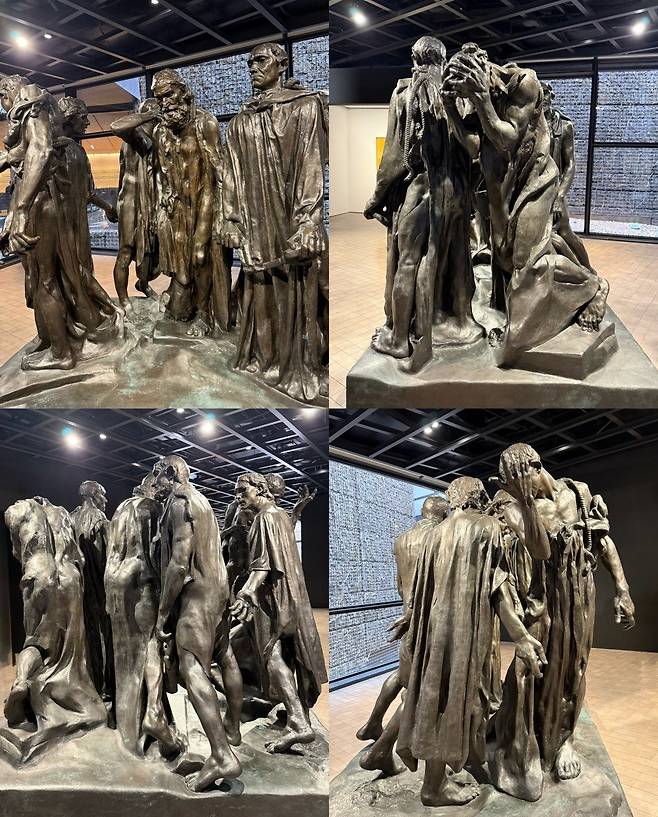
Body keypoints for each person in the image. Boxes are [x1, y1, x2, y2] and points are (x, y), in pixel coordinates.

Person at [442, 44, 606, 365]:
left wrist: (480, 97)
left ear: (482, 73)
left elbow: (507, 137)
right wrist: (450, 107)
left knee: (528, 262)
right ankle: (542, 299)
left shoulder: (524, 83)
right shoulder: (476, 97)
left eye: (467, 91)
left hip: (534, 183)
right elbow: (474, 145)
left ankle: (593, 286)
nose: (467, 99)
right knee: (504, 257)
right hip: (499, 189)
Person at [489, 443, 636, 801]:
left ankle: (564, 741)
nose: (511, 490)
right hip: (543, 599)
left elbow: (603, 543)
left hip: (580, 594)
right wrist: (525, 502)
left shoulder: (579, 493)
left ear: (535, 467)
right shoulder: (514, 507)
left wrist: (622, 588)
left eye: (516, 481)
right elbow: (540, 550)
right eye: (508, 485)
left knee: (575, 667)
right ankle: (522, 734)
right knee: (532, 667)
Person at [394, 476, 547, 807]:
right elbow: (499, 588)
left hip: (432, 633)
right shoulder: (486, 528)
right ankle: (435, 786)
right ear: (477, 498)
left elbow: (421, 591)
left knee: (436, 700)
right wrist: (520, 636)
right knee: (460, 699)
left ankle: (438, 778)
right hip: (464, 632)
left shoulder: (434, 535)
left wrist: (411, 623)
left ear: (453, 500)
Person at [365, 36, 483, 370]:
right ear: (442, 62)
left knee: (408, 262)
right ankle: (453, 319)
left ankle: (400, 338)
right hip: (454, 193)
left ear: (414, 59)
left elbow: (394, 158)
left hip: (418, 191)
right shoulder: (460, 96)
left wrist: (376, 198)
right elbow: (475, 150)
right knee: (450, 259)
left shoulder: (404, 94)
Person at [221, 43, 328, 402]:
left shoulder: (304, 106)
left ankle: (298, 362)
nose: (253, 67)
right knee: (260, 289)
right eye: (249, 62)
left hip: (291, 221)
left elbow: (311, 165)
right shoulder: (240, 121)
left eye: (261, 60)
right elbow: (230, 174)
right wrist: (231, 219)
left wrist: (309, 220)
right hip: (255, 223)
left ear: (281, 64)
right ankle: (265, 359)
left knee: (297, 288)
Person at [0, 76, 121, 370]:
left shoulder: (29, 98)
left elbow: (40, 150)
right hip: (49, 208)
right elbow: (28, 150)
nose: (4, 106)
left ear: (8, 91)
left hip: (41, 205)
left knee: (45, 281)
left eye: (3, 98)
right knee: (51, 278)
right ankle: (53, 337)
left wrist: (20, 210)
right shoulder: (48, 116)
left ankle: (60, 353)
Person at [153, 455, 242, 792]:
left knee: (191, 669)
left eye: (158, 476)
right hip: (219, 594)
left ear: (170, 474)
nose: (156, 484)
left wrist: (163, 612)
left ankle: (221, 755)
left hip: (198, 598)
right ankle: (232, 727)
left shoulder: (180, 504)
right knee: (226, 656)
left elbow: (179, 564)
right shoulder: (203, 501)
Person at [230, 472, 328, 752]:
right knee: (287, 656)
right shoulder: (280, 515)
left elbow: (262, 564)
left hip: (273, 599)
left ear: (260, 489)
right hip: (291, 596)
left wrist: (247, 592)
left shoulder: (264, 518)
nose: (238, 496)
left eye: (242, 490)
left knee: (271, 655)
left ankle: (298, 722)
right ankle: (298, 713)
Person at [3, 497, 105, 761]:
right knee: (69, 646)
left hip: (37, 572)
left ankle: (22, 682)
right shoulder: (62, 513)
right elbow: (79, 556)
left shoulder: (19, 510)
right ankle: (64, 689)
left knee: (34, 641)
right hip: (69, 578)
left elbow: (17, 551)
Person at [356, 495, 449, 753]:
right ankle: (383, 748)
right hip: (430, 619)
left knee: (401, 674)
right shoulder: (440, 537)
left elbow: (399, 584)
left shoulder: (402, 539)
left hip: (407, 613)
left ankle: (373, 722)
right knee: (420, 687)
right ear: (444, 514)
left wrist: (408, 609)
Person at [105, 473, 182, 758]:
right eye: (158, 487)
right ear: (149, 488)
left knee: (124, 653)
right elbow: (159, 554)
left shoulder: (119, 509)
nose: (162, 492)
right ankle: (153, 712)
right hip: (140, 578)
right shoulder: (151, 508)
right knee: (151, 643)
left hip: (115, 581)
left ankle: (127, 722)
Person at [151, 69, 231, 336]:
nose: (165, 103)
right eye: (159, 99)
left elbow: (216, 176)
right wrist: (164, 193)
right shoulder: (161, 131)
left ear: (183, 92)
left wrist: (210, 226)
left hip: (205, 203)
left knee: (201, 256)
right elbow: (160, 172)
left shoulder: (205, 124)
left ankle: (205, 315)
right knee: (179, 304)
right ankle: (186, 302)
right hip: (177, 212)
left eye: (169, 95)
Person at [111, 98, 162, 309]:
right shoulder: (133, 135)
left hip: (151, 201)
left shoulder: (159, 138)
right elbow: (116, 126)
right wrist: (148, 115)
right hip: (131, 200)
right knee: (126, 250)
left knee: (152, 249)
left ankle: (143, 283)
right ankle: (123, 299)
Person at [71, 480, 113, 701]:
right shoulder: (98, 519)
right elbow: (105, 559)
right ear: (93, 495)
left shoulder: (71, 518)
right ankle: (105, 687)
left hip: (78, 589)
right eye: (102, 495)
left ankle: (90, 684)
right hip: (98, 588)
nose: (105, 499)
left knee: (86, 637)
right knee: (103, 636)